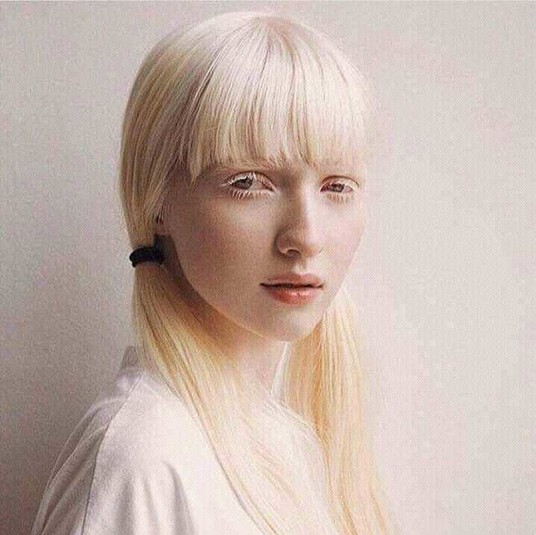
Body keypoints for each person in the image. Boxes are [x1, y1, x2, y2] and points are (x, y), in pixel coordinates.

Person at [31, 10, 394, 535]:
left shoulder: (293, 444)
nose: (307, 237)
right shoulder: (143, 461)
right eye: (249, 182)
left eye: (336, 187)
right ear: (157, 201)